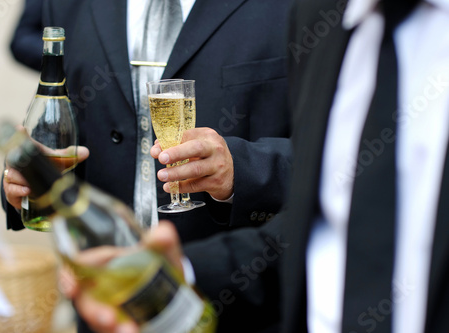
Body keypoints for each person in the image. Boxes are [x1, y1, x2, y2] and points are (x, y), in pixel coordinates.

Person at [64, 0, 449, 332]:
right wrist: (183, 275)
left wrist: (242, 170)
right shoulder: (336, 18)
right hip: (126, 299)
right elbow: (324, 220)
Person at [3, 0, 293, 244]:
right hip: (103, 287)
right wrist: (33, 182)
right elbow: (72, 125)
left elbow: (332, 154)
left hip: (241, 289)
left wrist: (241, 171)